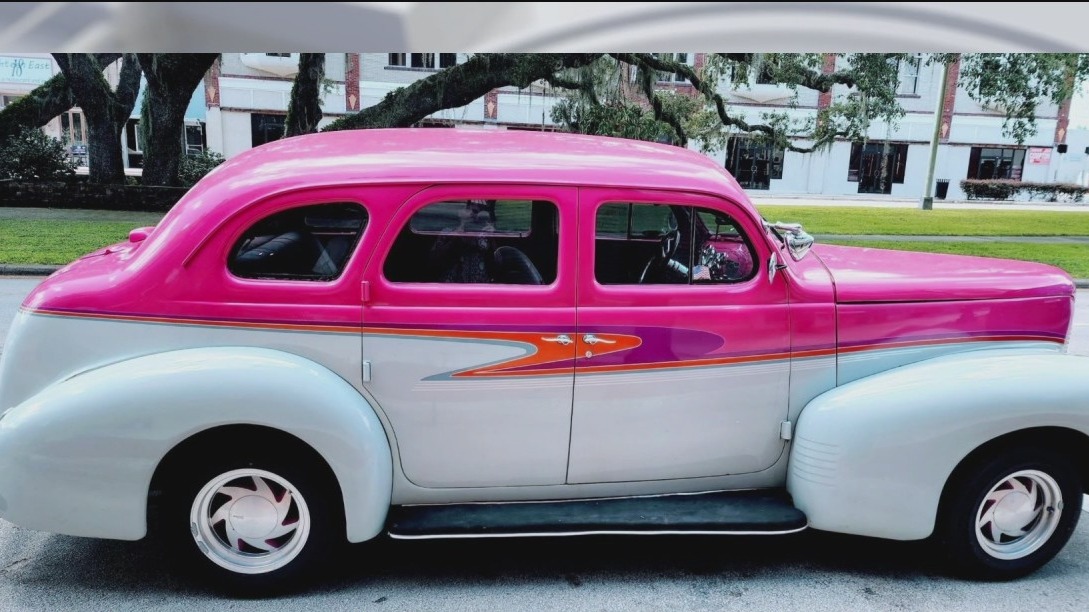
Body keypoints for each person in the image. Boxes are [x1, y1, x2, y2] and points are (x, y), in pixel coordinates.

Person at [428, 200, 497, 283]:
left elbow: (496, 266)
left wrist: (492, 238)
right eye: (468, 209)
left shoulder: (484, 235)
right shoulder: (448, 233)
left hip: (479, 288)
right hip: (451, 287)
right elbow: (434, 262)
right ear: (459, 212)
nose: (472, 213)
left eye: (477, 211)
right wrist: (457, 237)